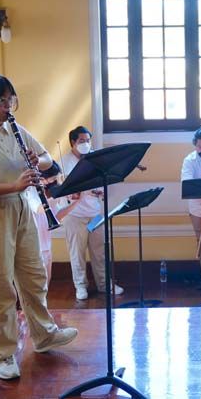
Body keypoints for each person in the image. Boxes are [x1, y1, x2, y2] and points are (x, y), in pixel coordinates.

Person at [0, 73, 77, 381]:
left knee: (33, 275)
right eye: (3, 101)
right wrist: (14, 185)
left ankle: (44, 334)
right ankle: (4, 354)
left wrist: (39, 161)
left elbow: (46, 158)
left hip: (19, 209)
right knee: (1, 287)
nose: (9, 106)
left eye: (12, 99)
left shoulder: (13, 128)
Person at [59, 126, 124, 301]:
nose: (86, 144)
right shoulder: (65, 162)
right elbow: (66, 189)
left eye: (88, 141)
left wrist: (100, 191)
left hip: (95, 213)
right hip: (74, 215)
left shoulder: (95, 159)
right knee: (77, 253)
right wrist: (81, 192)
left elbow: (102, 182)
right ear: (73, 142)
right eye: (82, 141)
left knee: (100, 252)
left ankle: (104, 284)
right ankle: (80, 286)